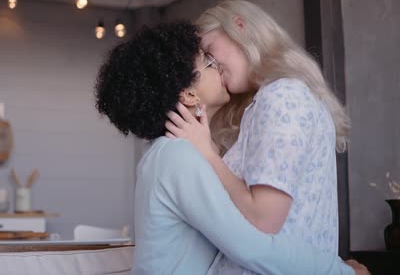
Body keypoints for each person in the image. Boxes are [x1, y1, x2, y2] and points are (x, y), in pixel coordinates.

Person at [94, 21, 367, 275]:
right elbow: (251, 246)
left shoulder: (166, 154)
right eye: (209, 63)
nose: (220, 68)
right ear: (188, 94)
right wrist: (342, 271)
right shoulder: (177, 157)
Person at [165, 0, 351, 274]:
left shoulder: (283, 96)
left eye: (208, 52)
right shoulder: (269, 100)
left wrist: (207, 154)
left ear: (239, 26)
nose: (211, 67)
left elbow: (263, 220)